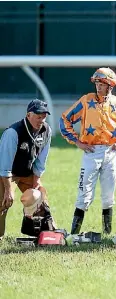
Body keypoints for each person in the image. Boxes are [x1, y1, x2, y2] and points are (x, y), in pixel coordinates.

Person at [60, 67, 116, 235]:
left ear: (110, 85)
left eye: (102, 83)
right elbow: (65, 120)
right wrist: (77, 141)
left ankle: (106, 233)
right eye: (96, 82)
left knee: (108, 196)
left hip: (111, 153)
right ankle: (74, 234)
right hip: (91, 153)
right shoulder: (85, 100)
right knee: (84, 194)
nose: (98, 86)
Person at [0, 99, 56, 239]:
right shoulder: (13, 133)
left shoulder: (46, 131)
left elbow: (41, 159)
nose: (41, 120)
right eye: (38, 116)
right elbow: (4, 165)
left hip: (28, 172)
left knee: (40, 199)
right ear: (28, 115)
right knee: (3, 202)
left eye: (44, 116)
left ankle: (46, 233)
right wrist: (8, 190)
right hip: (8, 173)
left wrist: (36, 181)